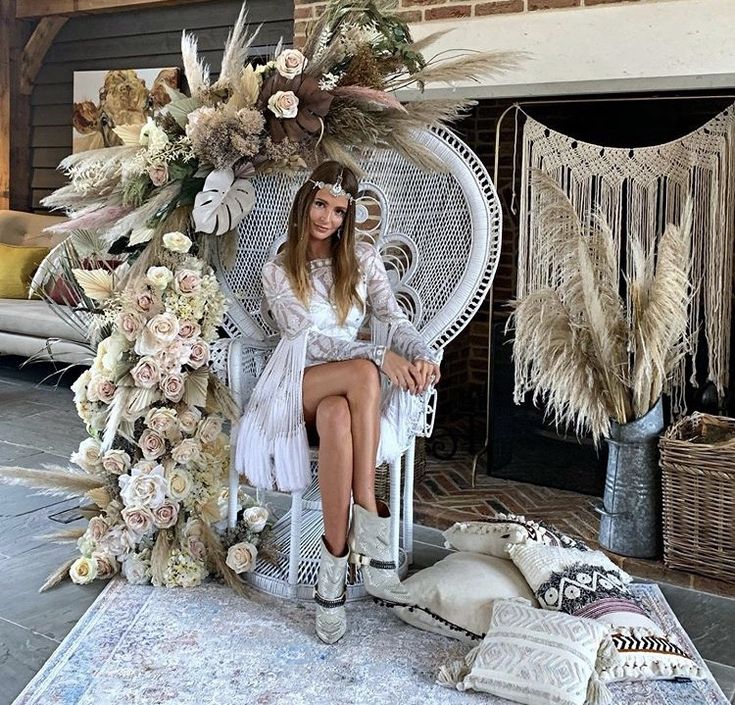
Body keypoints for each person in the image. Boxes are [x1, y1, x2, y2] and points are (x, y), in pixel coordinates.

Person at [235, 160, 441, 644]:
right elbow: (304, 339)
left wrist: (421, 354)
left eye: (339, 211)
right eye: (321, 206)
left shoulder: (363, 260)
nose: (327, 218)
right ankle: (369, 509)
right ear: (306, 202)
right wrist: (374, 353)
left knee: (338, 414)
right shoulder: (279, 268)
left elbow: (393, 317)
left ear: (349, 216)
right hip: (292, 384)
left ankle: (332, 579)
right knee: (365, 371)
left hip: (342, 397)